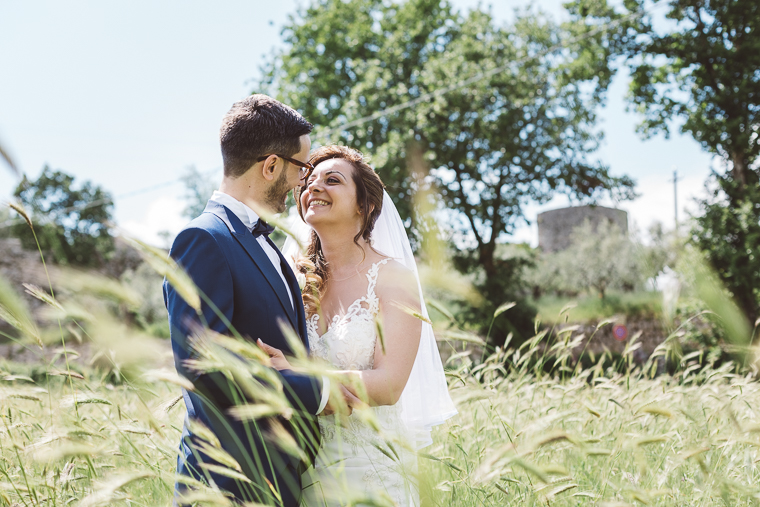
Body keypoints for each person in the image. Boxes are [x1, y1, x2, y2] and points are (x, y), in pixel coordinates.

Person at [164, 95, 357, 506]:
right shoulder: (204, 239)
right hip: (228, 482)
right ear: (270, 165)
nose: (303, 181)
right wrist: (319, 392)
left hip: (279, 476)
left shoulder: (272, 246)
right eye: (301, 167)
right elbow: (204, 365)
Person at [260, 145, 457, 506]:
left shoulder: (392, 278)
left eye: (332, 180)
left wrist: (298, 377)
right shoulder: (292, 279)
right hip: (301, 470)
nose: (313, 187)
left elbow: (389, 384)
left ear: (364, 207)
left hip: (370, 470)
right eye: (308, 181)